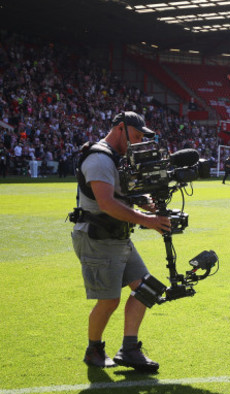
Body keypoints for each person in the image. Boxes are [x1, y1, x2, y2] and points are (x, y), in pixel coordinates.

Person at [71, 111, 171, 371]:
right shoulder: (99, 159)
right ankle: (94, 350)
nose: (137, 142)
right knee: (109, 300)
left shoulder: (118, 158)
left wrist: (146, 202)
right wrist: (147, 220)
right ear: (120, 128)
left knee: (147, 289)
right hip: (98, 236)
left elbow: (124, 193)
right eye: (135, 136)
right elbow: (106, 203)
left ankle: (128, 349)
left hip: (118, 236)